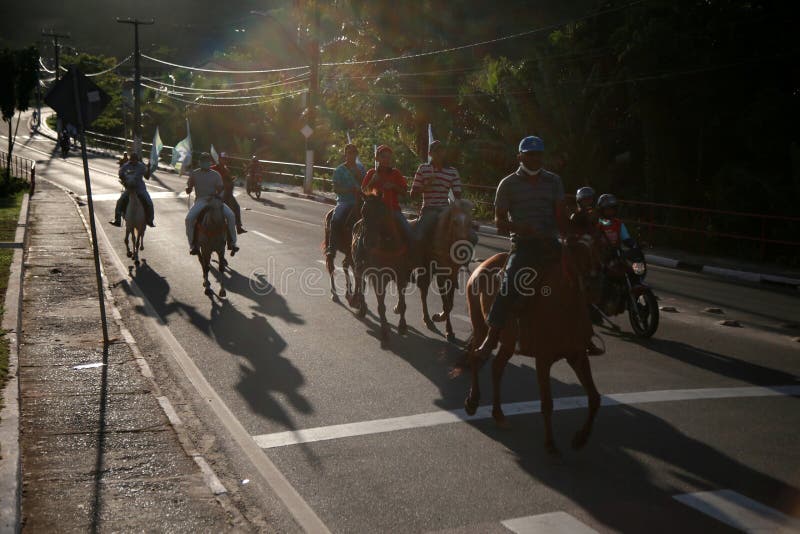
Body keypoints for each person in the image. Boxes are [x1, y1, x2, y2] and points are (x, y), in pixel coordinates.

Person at [475, 135, 603, 359]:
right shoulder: (508, 184)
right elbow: (499, 221)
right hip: (523, 245)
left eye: (539, 154)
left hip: (551, 243)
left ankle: (586, 333)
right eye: (530, 154)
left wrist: (575, 230)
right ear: (520, 156)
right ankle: (492, 336)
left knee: (581, 278)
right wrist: (519, 227)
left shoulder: (554, 181)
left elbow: (561, 215)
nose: (535, 159)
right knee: (510, 284)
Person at [410, 140, 477, 245]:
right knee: (418, 236)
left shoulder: (452, 171)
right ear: (430, 154)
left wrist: (458, 208)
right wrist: (427, 184)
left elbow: (457, 194)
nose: (440, 154)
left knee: (472, 237)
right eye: (436, 151)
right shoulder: (423, 169)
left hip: (446, 209)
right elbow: (413, 194)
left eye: (442, 151)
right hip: (429, 209)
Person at [185, 153, 239, 256]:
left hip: (214, 200)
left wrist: (217, 197)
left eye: (207, 161)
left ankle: (233, 242)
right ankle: (193, 245)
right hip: (200, 200)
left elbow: (221, 189)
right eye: (203, 161)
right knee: (189, 219)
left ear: (210, 162)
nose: (205, 163)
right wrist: (189, 188)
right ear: (200, 162)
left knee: (231, 215)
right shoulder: (194, 173)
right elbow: (190, 187)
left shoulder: (215, 175)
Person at [361, 145, 412, 244]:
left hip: (393, 209)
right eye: (383, 156)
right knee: (364, 232)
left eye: (388, 157)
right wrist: (372, 182)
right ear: (377, 158)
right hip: (375, 210)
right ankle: (359, 255)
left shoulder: (396, 173)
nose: (386, 160)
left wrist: (393, 186)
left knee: (410, 233)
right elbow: (363, 192)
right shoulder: (372, 173)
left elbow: (404, 193)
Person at [327, 143, 362, 256]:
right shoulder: (339, 170)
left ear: (356, 154)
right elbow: (336, 188)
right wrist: (349, 190)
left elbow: (367, 185)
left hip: (360, 200)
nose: (351, 155)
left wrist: (359, 176)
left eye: (353, 153)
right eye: (349, 153)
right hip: (345, 201)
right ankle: (331, 247)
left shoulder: (361, 168)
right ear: (345, 155)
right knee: (335, 217)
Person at [109, 152, 155, 227]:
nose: (133, 162)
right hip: (129, 189)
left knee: (149, 202)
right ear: (130, 160)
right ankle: (117, 220)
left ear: (137, 160)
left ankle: (150, 220)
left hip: (140, 188)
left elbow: (147, 177)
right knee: (120, 201)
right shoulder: (126, 166)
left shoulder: (141, 166)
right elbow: (120, 174)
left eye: (135, 160)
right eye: (132, 160)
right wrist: (124, 181)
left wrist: (149, 169)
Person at [211, 152, 246, 234]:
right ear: (219, 159)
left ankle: (238, 226)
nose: (224, 161)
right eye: (223, 159)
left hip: (227, 193)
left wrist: (232, 179)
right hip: (216, 194)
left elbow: (229, 180)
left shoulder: (227, 169)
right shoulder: (213, 168)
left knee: (236, 207)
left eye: (225, 159)